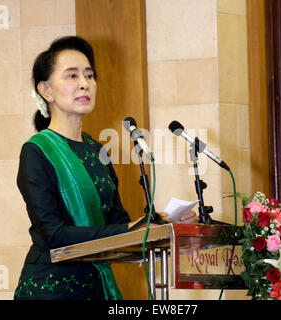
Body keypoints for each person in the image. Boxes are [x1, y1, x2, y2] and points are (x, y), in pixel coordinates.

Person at [14, 36, 198, 300]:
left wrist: (161, 225)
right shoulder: (37, 151)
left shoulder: (97, 150)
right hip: (51, 289)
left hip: (98, 287)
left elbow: (118, 224)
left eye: (89, 76)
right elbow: (53, 234)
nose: (84, 84)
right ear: (46, 90)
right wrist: (132, 229)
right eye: (72, 76)